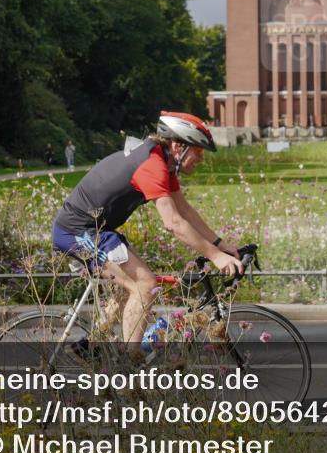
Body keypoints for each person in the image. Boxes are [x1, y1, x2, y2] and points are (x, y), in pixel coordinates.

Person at [52, 111, 243, 346]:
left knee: (131, 286)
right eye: (198, 151)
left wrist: (220, 245)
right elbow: (173, 222)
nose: (201, 159)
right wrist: (216, 257)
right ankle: (130, 363)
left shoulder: (162, 162)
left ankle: (90, 347)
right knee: (145, 285)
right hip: (76, 230)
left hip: (98, 230)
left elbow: (184, 210)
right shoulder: (152, 165)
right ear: (178, 146)